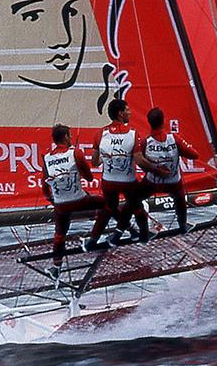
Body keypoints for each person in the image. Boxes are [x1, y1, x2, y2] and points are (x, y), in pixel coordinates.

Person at [41, 123, 111, 280]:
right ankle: (124, 229)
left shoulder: (46, 158)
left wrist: (53, 201)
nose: (71, 138)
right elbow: (90, 177)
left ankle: (56, 267)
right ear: (66, 137)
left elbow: (45, 186)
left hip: (60, 204)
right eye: (70, 135)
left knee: (59, 234)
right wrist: (77, 171)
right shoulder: (75, 153)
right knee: (107, 204)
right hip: (80, 200)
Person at [91, 98, 162, 245]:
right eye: (127, 110)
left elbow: (95, 162)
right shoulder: (132, 134)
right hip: (128, 182)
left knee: (111, 207)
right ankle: (143, 235)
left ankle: (129, 232)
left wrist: (111, 156)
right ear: (120, 113)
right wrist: (156, 170)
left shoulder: (100, 134)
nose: (130, 112)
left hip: (108, 182)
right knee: (137, 207)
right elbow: (140, 160)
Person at [141, 106, 199, 233]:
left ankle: (141, 226)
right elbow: (195, 155)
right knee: (179, 198)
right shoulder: (174, 139)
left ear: (149, 122)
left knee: (133, 200)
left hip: (151, 183)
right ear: (164, 121)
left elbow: (139, 161)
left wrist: (152, 168)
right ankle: (183, 225)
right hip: (173, 183)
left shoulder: (145, 142)